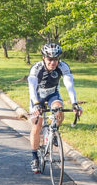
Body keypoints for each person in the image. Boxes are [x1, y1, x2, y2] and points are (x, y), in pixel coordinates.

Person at [27, 42, 81, 173]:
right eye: (50, 59)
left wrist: (74, 103)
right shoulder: (36, 68)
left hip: (53, 94)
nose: (53, 62)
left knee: (59, 110)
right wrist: (36, 104)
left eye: (55, 59)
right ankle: (34, 157)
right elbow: (32, 87)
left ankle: (54, 130)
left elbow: (69, 85)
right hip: (38, 96)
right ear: (44, 58)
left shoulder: (63, 67)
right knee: (37, 125)